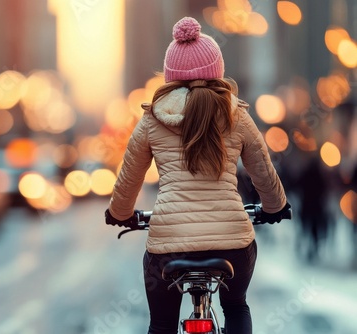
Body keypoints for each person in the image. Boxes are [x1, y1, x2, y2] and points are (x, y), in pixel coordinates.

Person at [105, 17, 290, 334]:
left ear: (170, 75)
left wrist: (120, 214)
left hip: (169, 246)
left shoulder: (152, 119)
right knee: (236, 308)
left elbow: (128, 178)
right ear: (217, 70)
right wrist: (274, 207)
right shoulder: (237, 115)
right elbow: (264, 172)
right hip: (232, 243)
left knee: (161, 323)